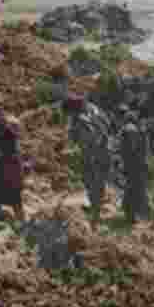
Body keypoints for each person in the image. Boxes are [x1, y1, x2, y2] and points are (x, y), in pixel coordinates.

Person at [63, 92, 113, 228]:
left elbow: (87, 140)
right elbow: (108, 124)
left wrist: (77, 151)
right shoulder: (94, 108)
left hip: (94, 155)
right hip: (105, 151)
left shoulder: (81, 119)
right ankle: (96, 213)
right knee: (98, 185)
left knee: (93, 184)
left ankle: (94, 220)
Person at [0, 115, 26, 222]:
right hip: (7, 170)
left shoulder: (6, 138)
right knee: (9, 197)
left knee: (11, 197)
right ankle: (15, 220)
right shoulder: (7, 138)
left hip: (8, 170)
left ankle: (20, 222)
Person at [119, 111, 150, 224]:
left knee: (131, 189)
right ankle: (134, 214)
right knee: (136, 189)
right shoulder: (135, 129)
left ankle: (131, 214)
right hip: (138, 165)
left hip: (132, 165)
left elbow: (131, 148)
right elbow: (138, 148)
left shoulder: (128, 129)